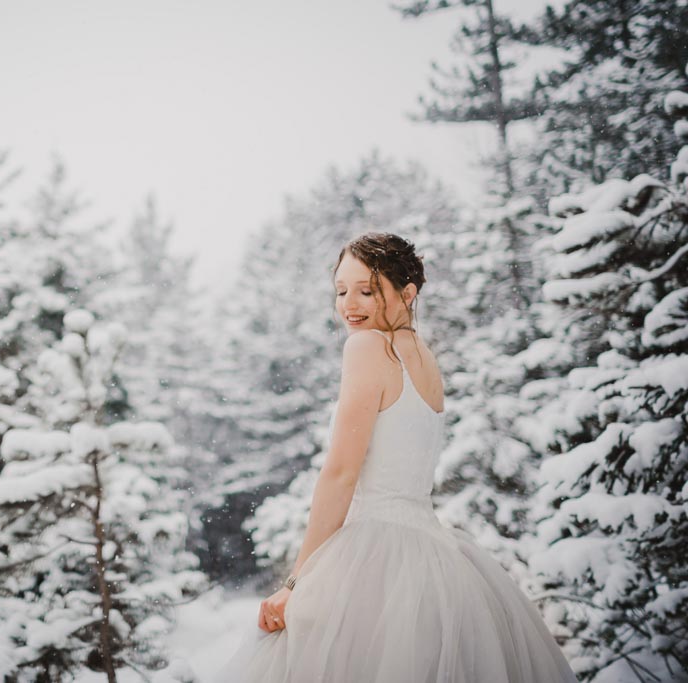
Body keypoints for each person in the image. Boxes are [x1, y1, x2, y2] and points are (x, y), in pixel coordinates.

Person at [212, 232, 578, 682]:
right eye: (341, 291)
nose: (350, 304)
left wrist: (295, 583)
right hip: (436, 558)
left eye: (367, 290)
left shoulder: (367, 347)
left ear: (409, 292)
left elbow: (341, 474)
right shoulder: (424, 358)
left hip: (375, 552)